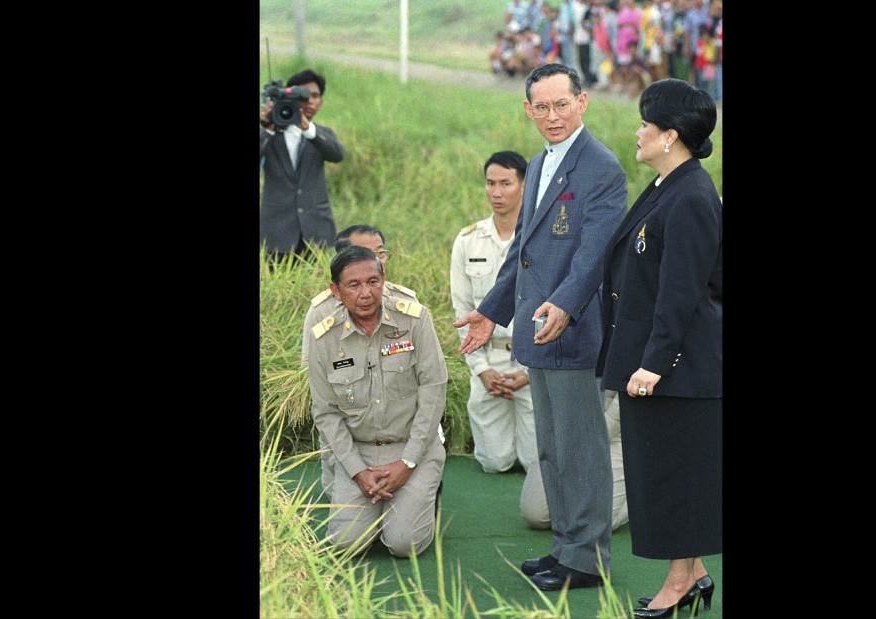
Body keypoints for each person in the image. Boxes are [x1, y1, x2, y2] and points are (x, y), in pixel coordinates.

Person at [453, 63, 627, 591]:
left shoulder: (600, 167)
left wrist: (565, 306)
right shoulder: (538, 161)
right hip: (535, 330)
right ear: (528, 109)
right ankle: (565, 550)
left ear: (583, 102)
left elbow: (594, 254)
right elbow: (521, 256)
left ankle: (589, 560)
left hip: (571, 331)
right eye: (542, 107)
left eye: (562, 104)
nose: (552, 116)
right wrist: (490, 311)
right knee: (550, 447)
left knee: (581, 448)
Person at [595, 78, 721, 617]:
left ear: (670, 135)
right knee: (667, 475)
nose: (638, 132)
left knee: (674, 480)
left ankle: (677, 584)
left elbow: (683, 292)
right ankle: (694, 575)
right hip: (660, 362)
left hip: (680, 368)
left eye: (646, 123)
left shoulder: (691, 195)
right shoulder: (669, 184)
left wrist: (654, 362)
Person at [305, 246, 448, 558]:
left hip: (413, 445)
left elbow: (434, 389)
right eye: (353, 285)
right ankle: (388, 508)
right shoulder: (323, 335)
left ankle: (418, 501)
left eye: (373, 282)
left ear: (384, 281)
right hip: (359, 451)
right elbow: (326, 412)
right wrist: (357, 471)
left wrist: (408, 461)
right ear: (336, 291)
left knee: (403, 544)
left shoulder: (414, 319)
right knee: (346, 544)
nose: (366, 293)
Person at [303, 224, 426, 499]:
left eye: (381, 253)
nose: (376, 260)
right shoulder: (321, 312)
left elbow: (427, 380)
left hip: (399, 431)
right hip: (347, 433)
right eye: (365, 253)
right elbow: (318, 383)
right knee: (346, 526)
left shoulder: (407, 303)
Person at [260, 68, 345, 265]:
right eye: (303, 95)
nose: (308, 101)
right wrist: (267, 127)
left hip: (316, 232)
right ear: (287, 96)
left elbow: (337, 154)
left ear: (320, 103)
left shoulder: (321, 134)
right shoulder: (269, 133)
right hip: (276, 233)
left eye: (314, 96)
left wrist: (308, 130)